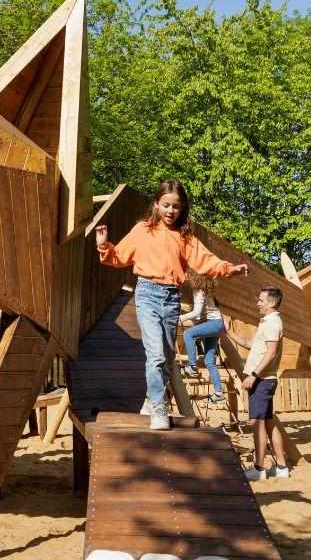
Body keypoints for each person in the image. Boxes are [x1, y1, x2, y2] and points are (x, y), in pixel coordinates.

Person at [95, 179, 248, 430]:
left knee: (166, 358)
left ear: (182, 208)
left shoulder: (185, 236)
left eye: (176, 207)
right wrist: (105, 247)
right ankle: (158, 407)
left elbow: (205, 260)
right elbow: (120, 256)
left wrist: (229, 268)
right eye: (166, 205)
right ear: (156, 203)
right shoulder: (142, 230)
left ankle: (149, 399)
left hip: (172, 298)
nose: (170, 211)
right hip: (147, 294)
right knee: (155, 354)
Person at [225, 286, 288, 479]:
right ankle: (282, 467)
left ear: (272, 303)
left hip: (262, 380)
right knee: (268, 422)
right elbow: (251, 345)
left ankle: (259, 469)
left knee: (256, 422)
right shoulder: (268, 323)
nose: (258, 303)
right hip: (264, 380)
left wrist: (253, 374)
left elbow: (271, 353)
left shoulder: (272, 324)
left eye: (261, 300)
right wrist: (229, 332)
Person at [179, 271, 227, 404]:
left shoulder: (199, 290)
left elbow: (196, 312)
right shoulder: (207, 291)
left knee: (189, 334)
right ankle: (219, 393)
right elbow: (203, 314)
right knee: (209, 361)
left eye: (187, 275)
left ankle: (192, 366)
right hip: (216, 325)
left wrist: (182, 318)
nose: (186, 277)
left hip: (214, 323)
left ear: (193, 276)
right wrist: (197, 320)